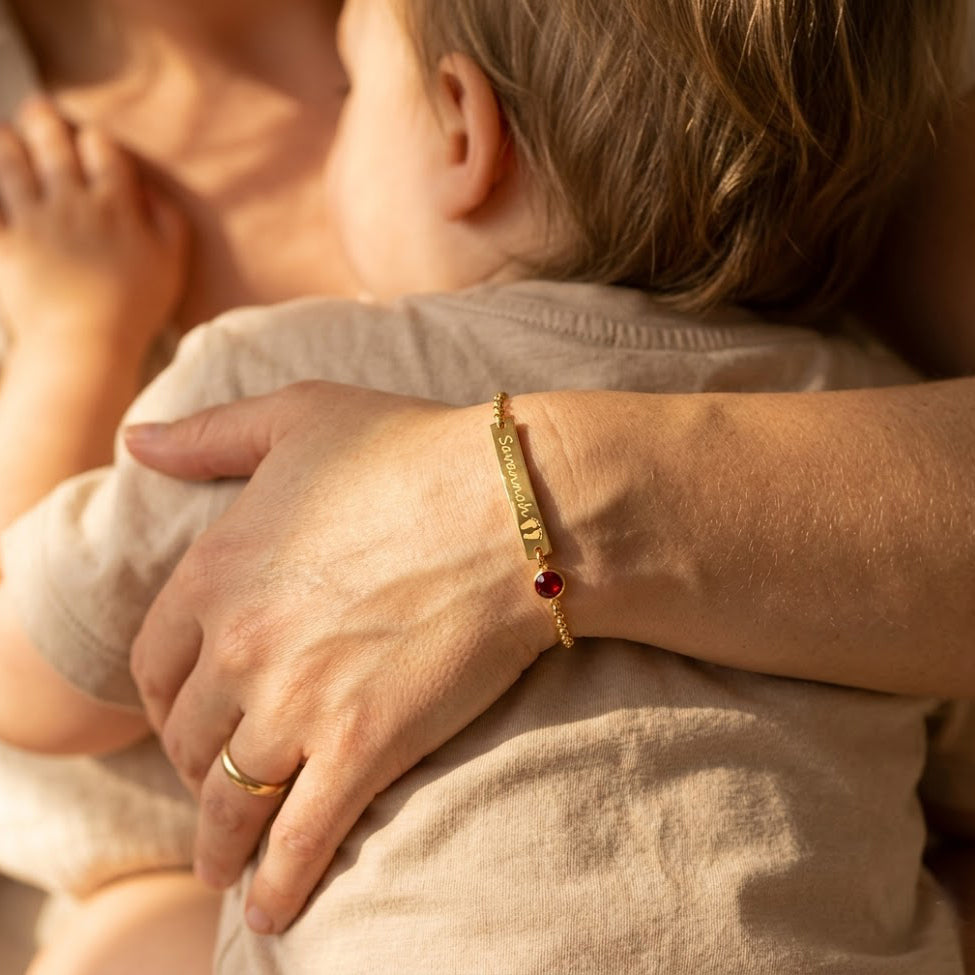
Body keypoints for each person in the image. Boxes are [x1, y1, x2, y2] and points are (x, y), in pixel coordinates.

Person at [1, 0, 972, 973]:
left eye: (352, 94)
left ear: (467, 131)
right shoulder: (858, 396)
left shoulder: (282, 377)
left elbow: (23, 681)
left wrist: (75, 337)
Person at [0, 0, 355, 969]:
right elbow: (22, 660)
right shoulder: (27, 149)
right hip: (171, 861)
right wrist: (83, 335)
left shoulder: (497, 44)